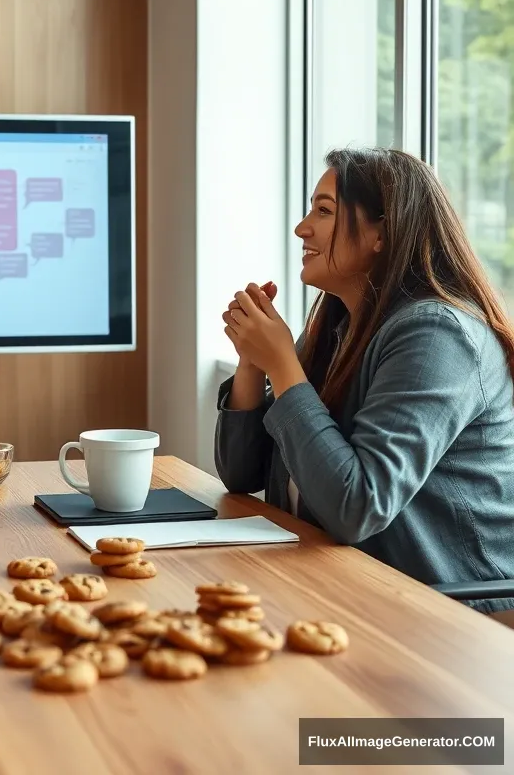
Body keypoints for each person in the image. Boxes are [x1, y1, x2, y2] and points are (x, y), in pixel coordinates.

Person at [215, 147, 514, 611]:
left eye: (324, 210)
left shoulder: (436, 335)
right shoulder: (341, 326)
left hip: (447, 611)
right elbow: (240, 474)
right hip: (344, 585)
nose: (302, 227)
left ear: (382, 232)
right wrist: (252, 361)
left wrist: (281, 364)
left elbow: (358, 506)